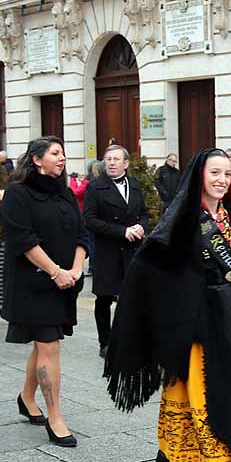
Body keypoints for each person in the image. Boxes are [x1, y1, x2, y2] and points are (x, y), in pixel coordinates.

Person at [105, 148, 231, 462]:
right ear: (199, 176)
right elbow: (151, 265)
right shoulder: (184, 219)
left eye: (228, 173)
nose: (222, 180)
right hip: (200, 321)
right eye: (215, 173)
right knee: (205, 393)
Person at [0, 136, 89, 447]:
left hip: (64, 283)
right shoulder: (17, 194)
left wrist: (76, 270)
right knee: (49, 344)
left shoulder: (65, 193)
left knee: (43, 344)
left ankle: (27, 397)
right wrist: (55, 271)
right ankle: (55, 416)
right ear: (37, 160)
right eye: (55, 153)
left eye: (63, 153)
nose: (62, 158)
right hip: (33, 284)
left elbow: (82, 233)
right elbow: (23, 240)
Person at [83, 144, 148, 358]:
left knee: (132, 298)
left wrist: (141, 226)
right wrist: (122, 231)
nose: (111, 163)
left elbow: (144, 213)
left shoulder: (135, 185)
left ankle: (131, 339)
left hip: (131, 252)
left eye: (116, 159)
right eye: (108, 159)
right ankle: (105, 342)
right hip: (107, 251)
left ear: (126, 163)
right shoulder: (95, 187)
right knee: (104, 298)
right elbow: (90, 220)